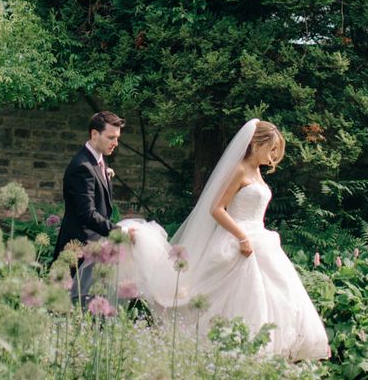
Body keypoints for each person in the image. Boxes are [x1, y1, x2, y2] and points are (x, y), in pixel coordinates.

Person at [118, 120, 329, 359]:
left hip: (261, 239)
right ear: (255, 144)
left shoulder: (258, 172)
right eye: (270, 149)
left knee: (278, 293)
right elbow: (217, 208)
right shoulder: (239, 170)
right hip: (238, 239)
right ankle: (238, 351)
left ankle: (267, 351)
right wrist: (242, 237)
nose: (272, 156)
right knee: (242, 296)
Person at [54, 111, 125, 305]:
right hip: (79, 248)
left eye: (117, 138)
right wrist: (119, 232)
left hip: (94, 246)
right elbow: (87, 213)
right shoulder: (81, 166)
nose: (115, 143)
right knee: (72, 307)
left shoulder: (98, 160)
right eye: (111, 137)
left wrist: (106, 174)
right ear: (94, 134)